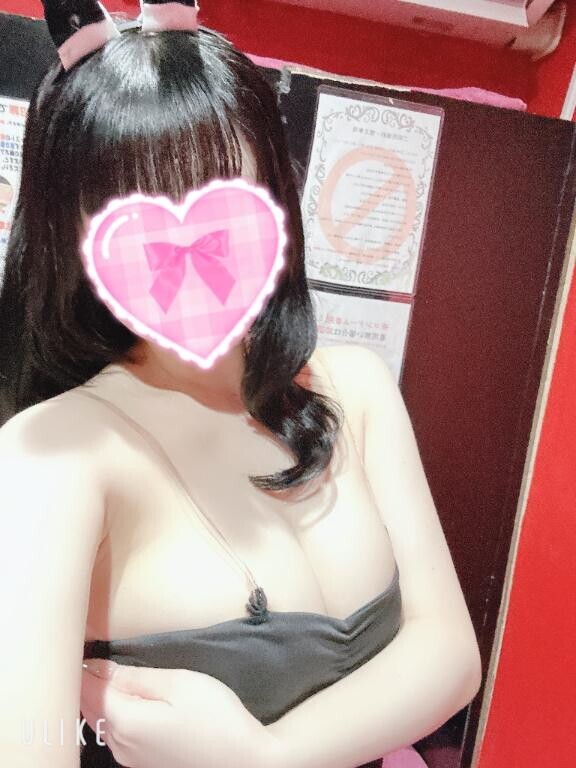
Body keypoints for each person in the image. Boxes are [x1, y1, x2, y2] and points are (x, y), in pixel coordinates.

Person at [0, 2, 482, 767]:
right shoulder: (53, 455)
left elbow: (450, 655)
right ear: (74, 230)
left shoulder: (354, 389)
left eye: (221, 192)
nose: (188, 240)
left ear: (275, 192)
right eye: (138, 211)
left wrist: (264, 757)